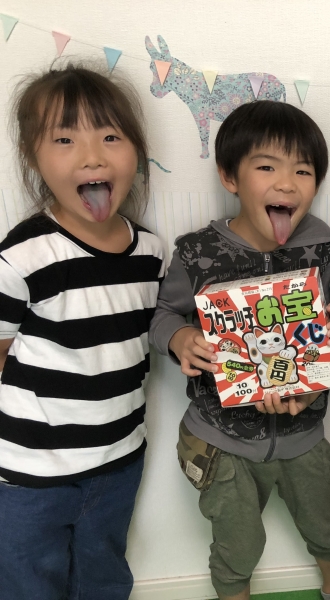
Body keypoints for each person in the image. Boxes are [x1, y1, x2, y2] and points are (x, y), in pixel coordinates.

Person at [148, 100, 330, 600]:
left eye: (303, 171)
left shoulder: (324, 250)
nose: (287, 184)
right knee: (238, 547)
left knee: (326, 528)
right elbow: (162, 315)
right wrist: (178, 339)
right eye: (267, 167)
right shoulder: (198, 253)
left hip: (303, 434)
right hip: (221, 439)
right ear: (230, 177)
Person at [0, 65, 165, 599]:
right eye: (65, 139)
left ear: (137, 151)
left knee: (103, 577)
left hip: (119, 460)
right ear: (32, 157)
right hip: (30, 472)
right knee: (28, 585)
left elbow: (154, 334)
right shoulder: (22, 256)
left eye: (111, 137)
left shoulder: (152, 253)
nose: (92, 157)